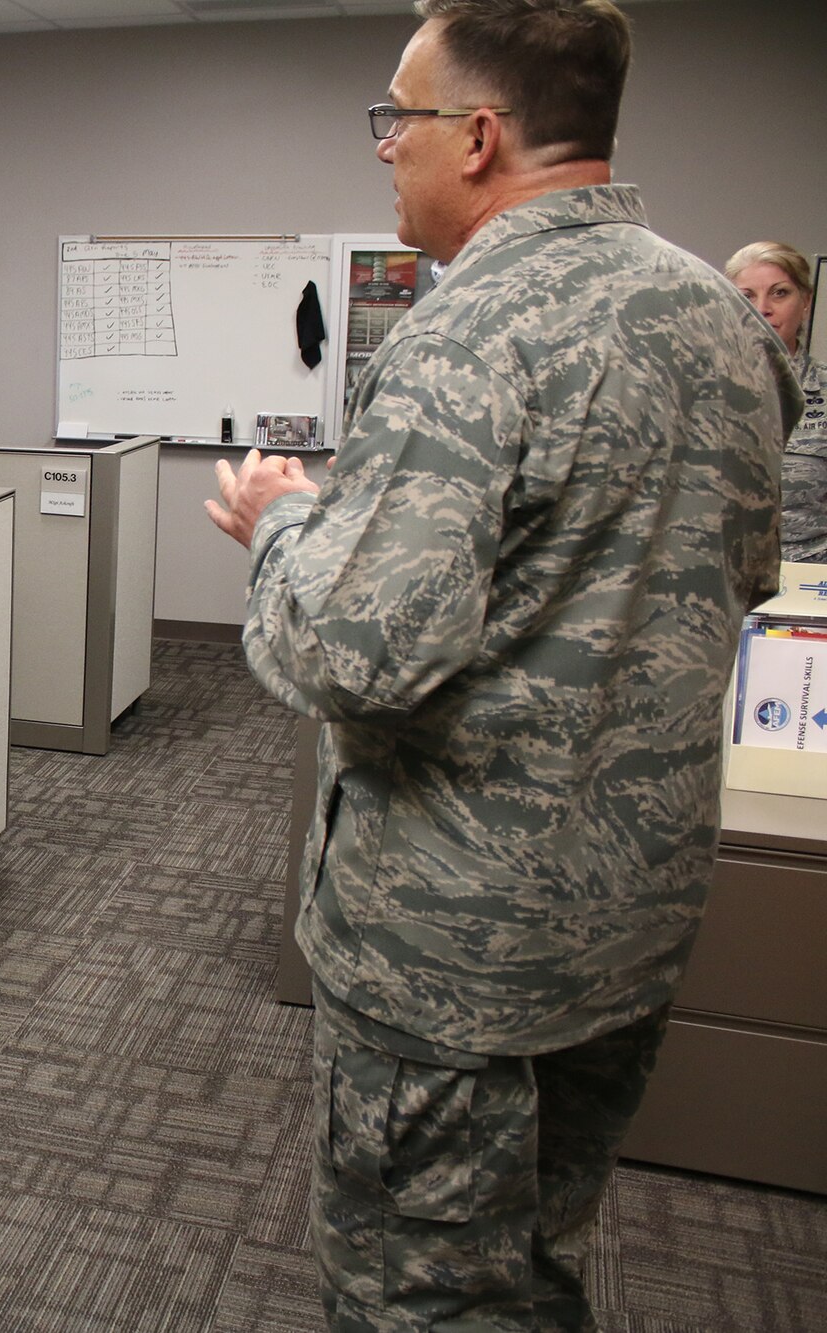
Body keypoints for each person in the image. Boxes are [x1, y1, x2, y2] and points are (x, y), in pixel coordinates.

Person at [202, 3, 798, 1328]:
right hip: (627, 920)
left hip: (453, 956)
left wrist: (282, 524)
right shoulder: (726, 321)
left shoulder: (467, 334)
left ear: (477, 137)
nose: (383, 148)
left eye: (396, 118)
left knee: (419, 1296)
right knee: (532, 1258)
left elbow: (347, 653)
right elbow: (725, 578)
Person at [726, 240, 826, 562]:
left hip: (811, 580)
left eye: (779, 293)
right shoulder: (698, 390)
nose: (763, 308)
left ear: (806, 301)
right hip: (721, 579)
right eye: (747, 296)